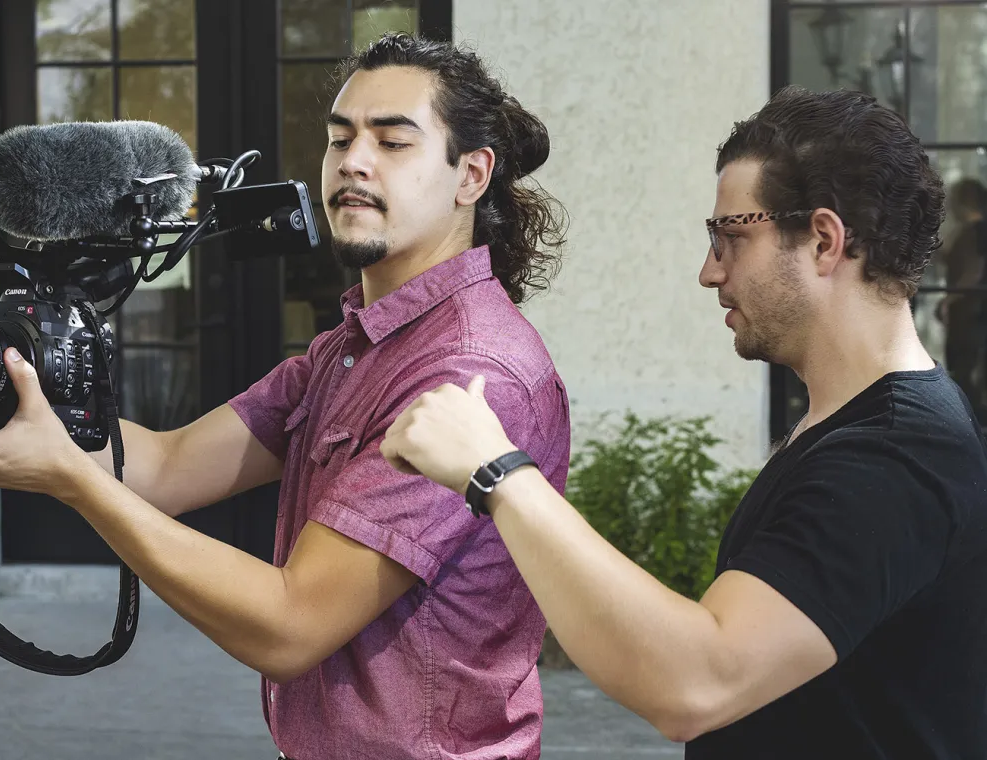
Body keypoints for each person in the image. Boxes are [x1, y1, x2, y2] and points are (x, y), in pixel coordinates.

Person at [0, 33, 571, 760]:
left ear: (471, 174)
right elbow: (166, 465)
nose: (352, 160)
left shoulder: (469, 373)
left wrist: (67, 478)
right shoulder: (350, 350)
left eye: (393, 141)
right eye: (339, 137)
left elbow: (290, 625)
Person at [381, 85, 987, 759]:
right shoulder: (850, 426)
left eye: (731, 237)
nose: (708, 272)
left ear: (822, 239)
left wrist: (496, 471)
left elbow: (695, 682)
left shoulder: (897, 457)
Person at [935, 177, 987, 416]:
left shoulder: (973, 233)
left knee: (965, 372)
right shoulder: (968, 232)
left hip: (968, 314)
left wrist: (948, 300)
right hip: (966, 314)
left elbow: (973, 272)